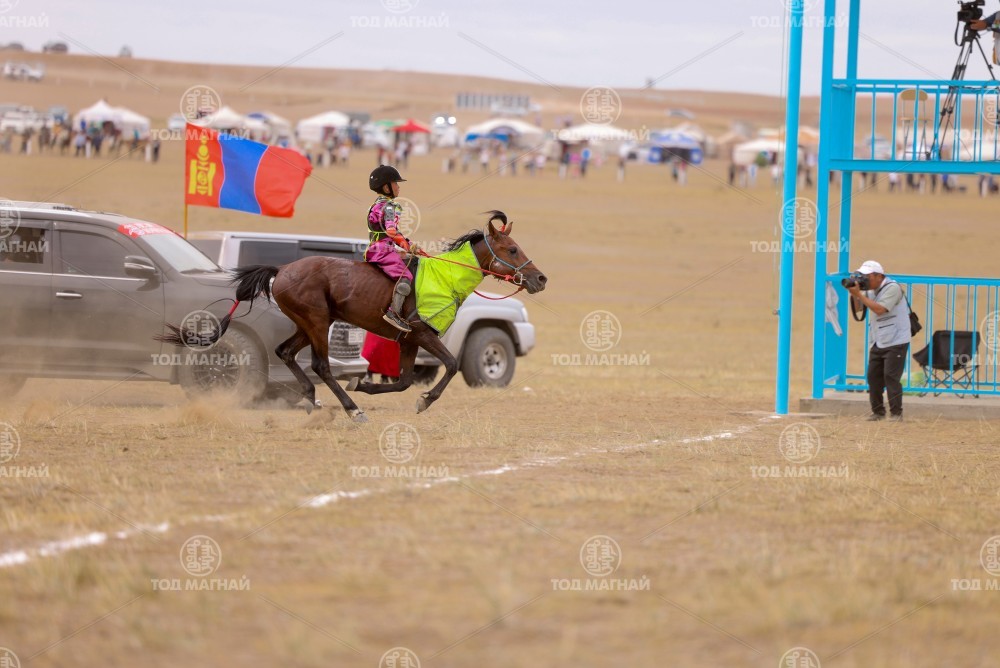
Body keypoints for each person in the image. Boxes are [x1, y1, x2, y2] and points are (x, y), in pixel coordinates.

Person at [845, 260, 911, 421]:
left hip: (896, 340)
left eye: (867, 277)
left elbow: (880, 309)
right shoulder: (870, 289)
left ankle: (896, 413)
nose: (864, 280)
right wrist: (855, 294)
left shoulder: (893, 288)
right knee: (873, 377)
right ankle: (878, 412)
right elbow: (859, 309)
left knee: (890, 377)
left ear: (879, 276)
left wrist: (859, 294)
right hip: (878, 339)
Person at [366, 165, 415, 332]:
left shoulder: (376, 205)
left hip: (377, 248)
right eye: (395, 183)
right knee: (406, 276)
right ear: (386, 187)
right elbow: (391, 231)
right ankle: (393, 313)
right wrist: (408, 245)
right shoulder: (389, 207)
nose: (398, 187)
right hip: (382, 251)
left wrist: (408, 245)